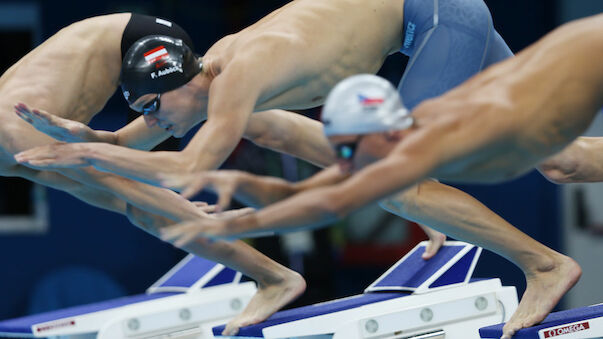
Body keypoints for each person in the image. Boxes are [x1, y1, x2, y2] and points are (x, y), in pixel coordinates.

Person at [155, 13, 603, 338]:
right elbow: (300, 150)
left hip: (447, 22)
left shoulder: (235, 75)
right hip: (451, 18)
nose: (155, 124)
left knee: (399, 188)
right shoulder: (229, 77)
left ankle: (544, 263)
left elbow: (332, 194)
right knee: (563, 161)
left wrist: (240, 223)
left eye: (150, 108)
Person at [0, 13, 309, 335]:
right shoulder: (10, 161)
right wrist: (170, 209)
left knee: (246, 120)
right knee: (144, 212)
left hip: (134, 42)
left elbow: (112, 179)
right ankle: (275, 277)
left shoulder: (15, 133)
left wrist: (186, 212)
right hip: (127, 57)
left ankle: (346, 161)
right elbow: (101, 193)